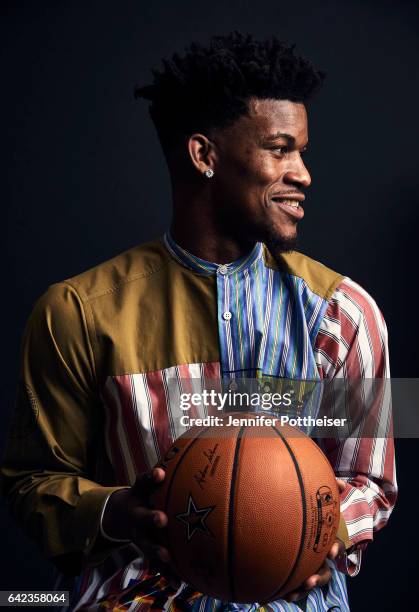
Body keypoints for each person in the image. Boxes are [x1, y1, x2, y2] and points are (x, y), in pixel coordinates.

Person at [1, 32, 397, 611]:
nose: (304, 174)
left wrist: (314, 537)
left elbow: (373, 483)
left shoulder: (345, 313)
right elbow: (30, 484)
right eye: (280, 149)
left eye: (302, 151)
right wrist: (120, 513)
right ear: (203, 155)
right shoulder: (75, 313)